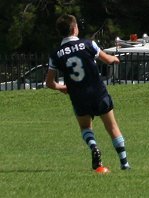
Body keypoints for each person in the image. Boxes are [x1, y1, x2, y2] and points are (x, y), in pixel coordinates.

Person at [46, 14, 130, 173]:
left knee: (85, 127)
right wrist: (115, 59)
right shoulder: (88, 44)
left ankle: (94, 146)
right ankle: (124, 163)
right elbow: (107, 59)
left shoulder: (55, 54)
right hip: (98, 93)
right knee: (112, 126)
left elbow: (49, 83)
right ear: (74, 28)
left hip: (78, 97)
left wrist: (61, 87)